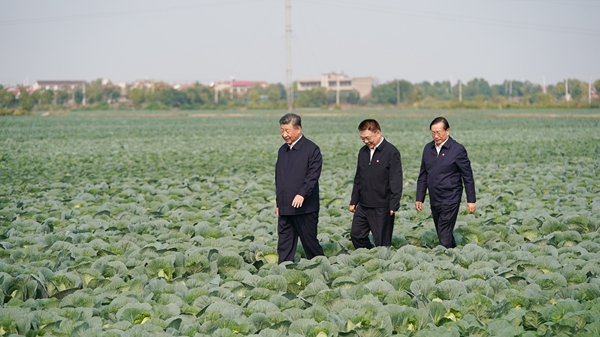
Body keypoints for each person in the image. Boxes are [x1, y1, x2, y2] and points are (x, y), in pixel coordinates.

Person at [415, 116, 476, 248]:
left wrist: (471, 200)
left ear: (447, 131)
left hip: (451, 197)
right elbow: (423, 174)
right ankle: (454, 254)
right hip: (434, 198)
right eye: (433, 132)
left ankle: (445, 258)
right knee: (443, 232)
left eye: (439, 132)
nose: (436, 136)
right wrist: (419, 197)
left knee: (443, 233)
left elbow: (467, 176)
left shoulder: (457, 149)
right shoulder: (428, 149)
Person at [275, 113, 324, 263]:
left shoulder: (312, 149)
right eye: (282, 130)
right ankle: (283, 272)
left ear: (298, 129)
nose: (284, 134)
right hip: (285, 208)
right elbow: (279, 179)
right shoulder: (282, 150)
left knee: (310, 243)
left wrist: (302, 194)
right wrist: (279, 203)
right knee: (284, 245)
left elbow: (312, 176)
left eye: (287, 130)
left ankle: (322, 269)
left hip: (305, 208)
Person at [349, 119, 403, 249]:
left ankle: (384, 265)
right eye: (362, 139)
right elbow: (358, 177)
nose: (366, 141)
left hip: (382, 206)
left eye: (368, 138)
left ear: (377, 132)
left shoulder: (391, 152)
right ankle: (369, 254)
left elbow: (396, 180)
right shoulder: (363, 152)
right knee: (356, 235)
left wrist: (394, 204)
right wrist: (353, 200)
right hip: (363, 204)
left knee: (382, 243)